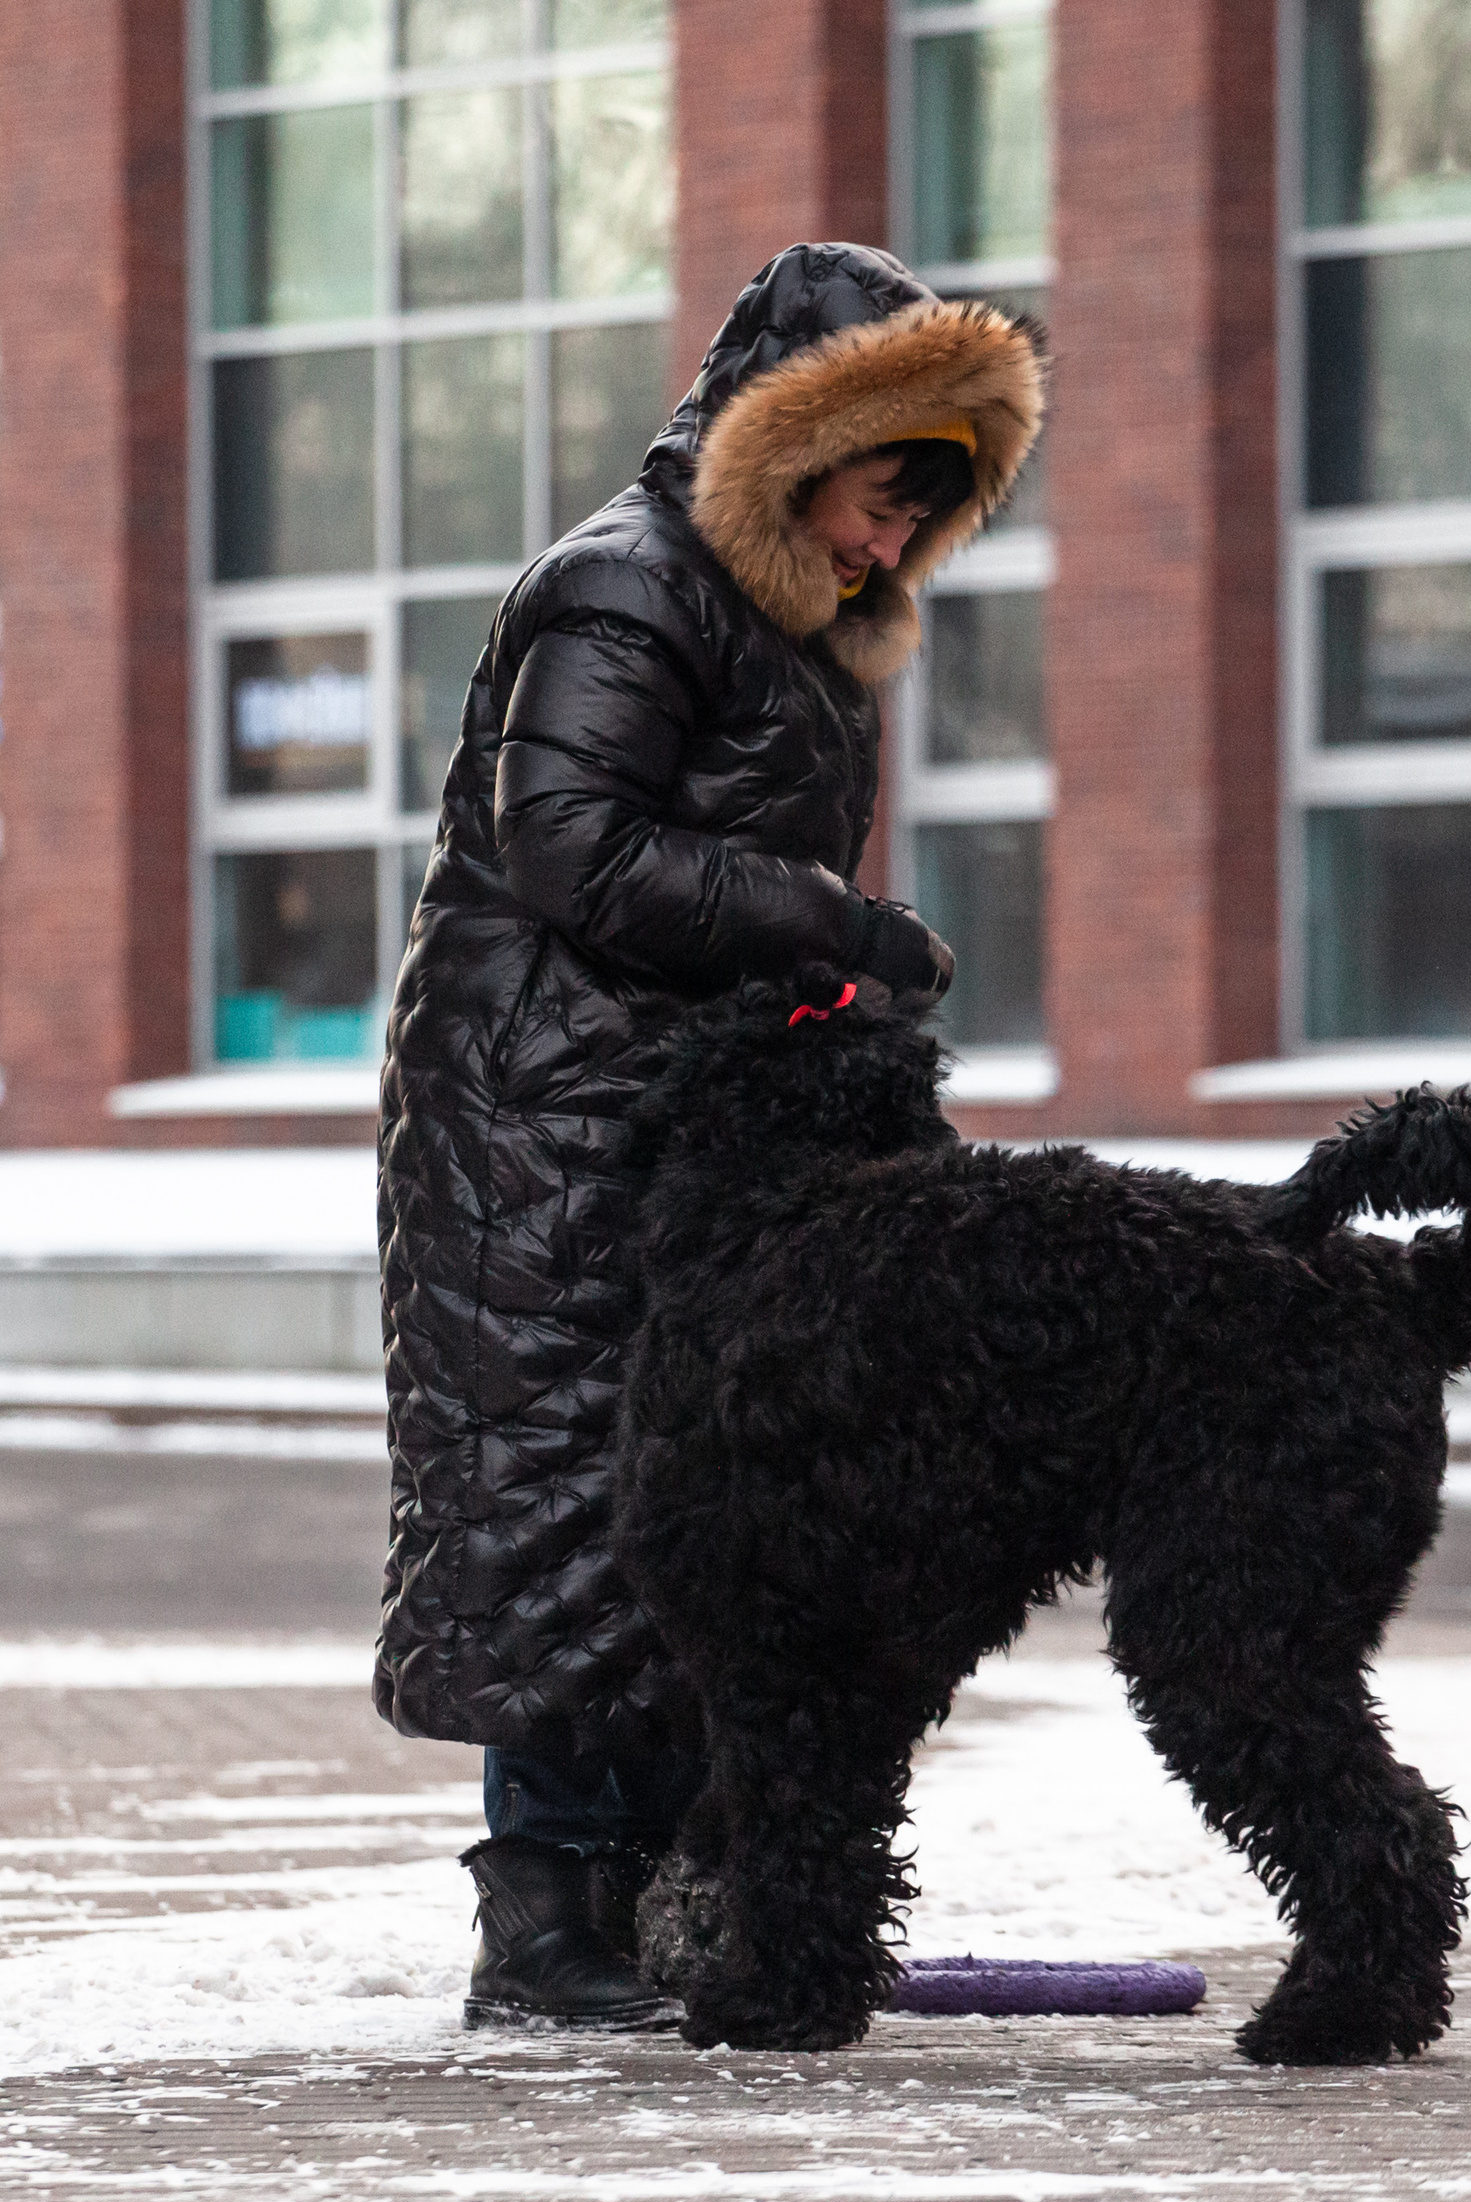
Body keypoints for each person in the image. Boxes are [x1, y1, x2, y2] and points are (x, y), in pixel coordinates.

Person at [375, 241, 1045, 2027]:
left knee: (705, 1492)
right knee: (566, 1492)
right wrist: (829, 926)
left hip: (668, 1117)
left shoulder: (782, 620)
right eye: (881, 501)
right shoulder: (628, 583)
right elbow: (567, 844)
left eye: (923, 520)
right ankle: (549, 1918)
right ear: (795, 443)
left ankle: (670, 1891)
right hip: (541, 1125)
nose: (890, 547)